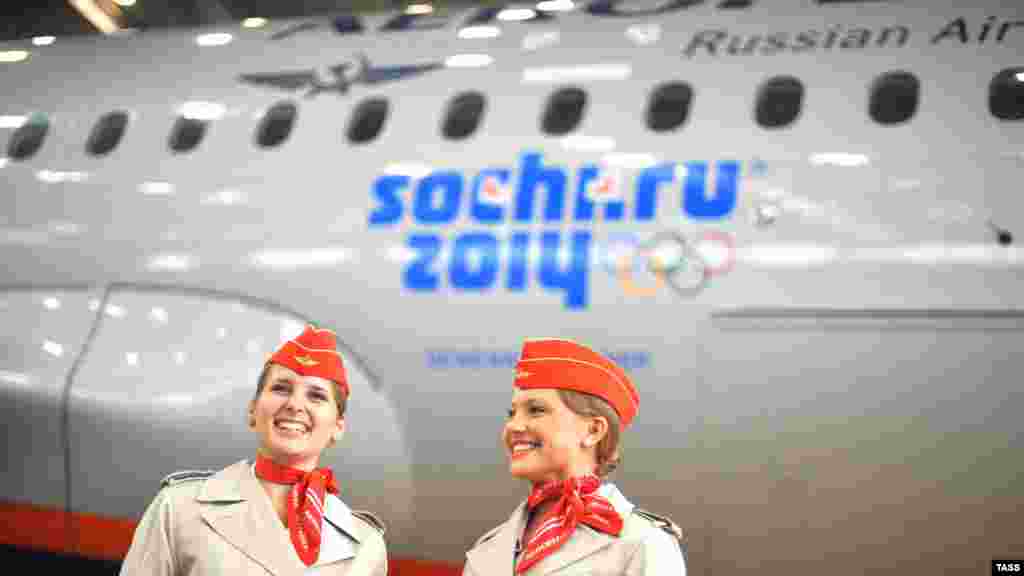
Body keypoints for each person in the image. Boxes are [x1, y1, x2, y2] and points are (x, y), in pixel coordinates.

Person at [120, 325, 388, 576]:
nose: (295, 404)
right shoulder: (179, 508)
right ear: (252, 410)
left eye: (316, 396)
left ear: (338, 426)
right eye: (281, 388)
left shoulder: (366, 545)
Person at [463, 337, 687, 575]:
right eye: (511, 413)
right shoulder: (488, 549)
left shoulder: (641, 542)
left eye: (536, 410)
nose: (514, 426)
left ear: (593, 431)